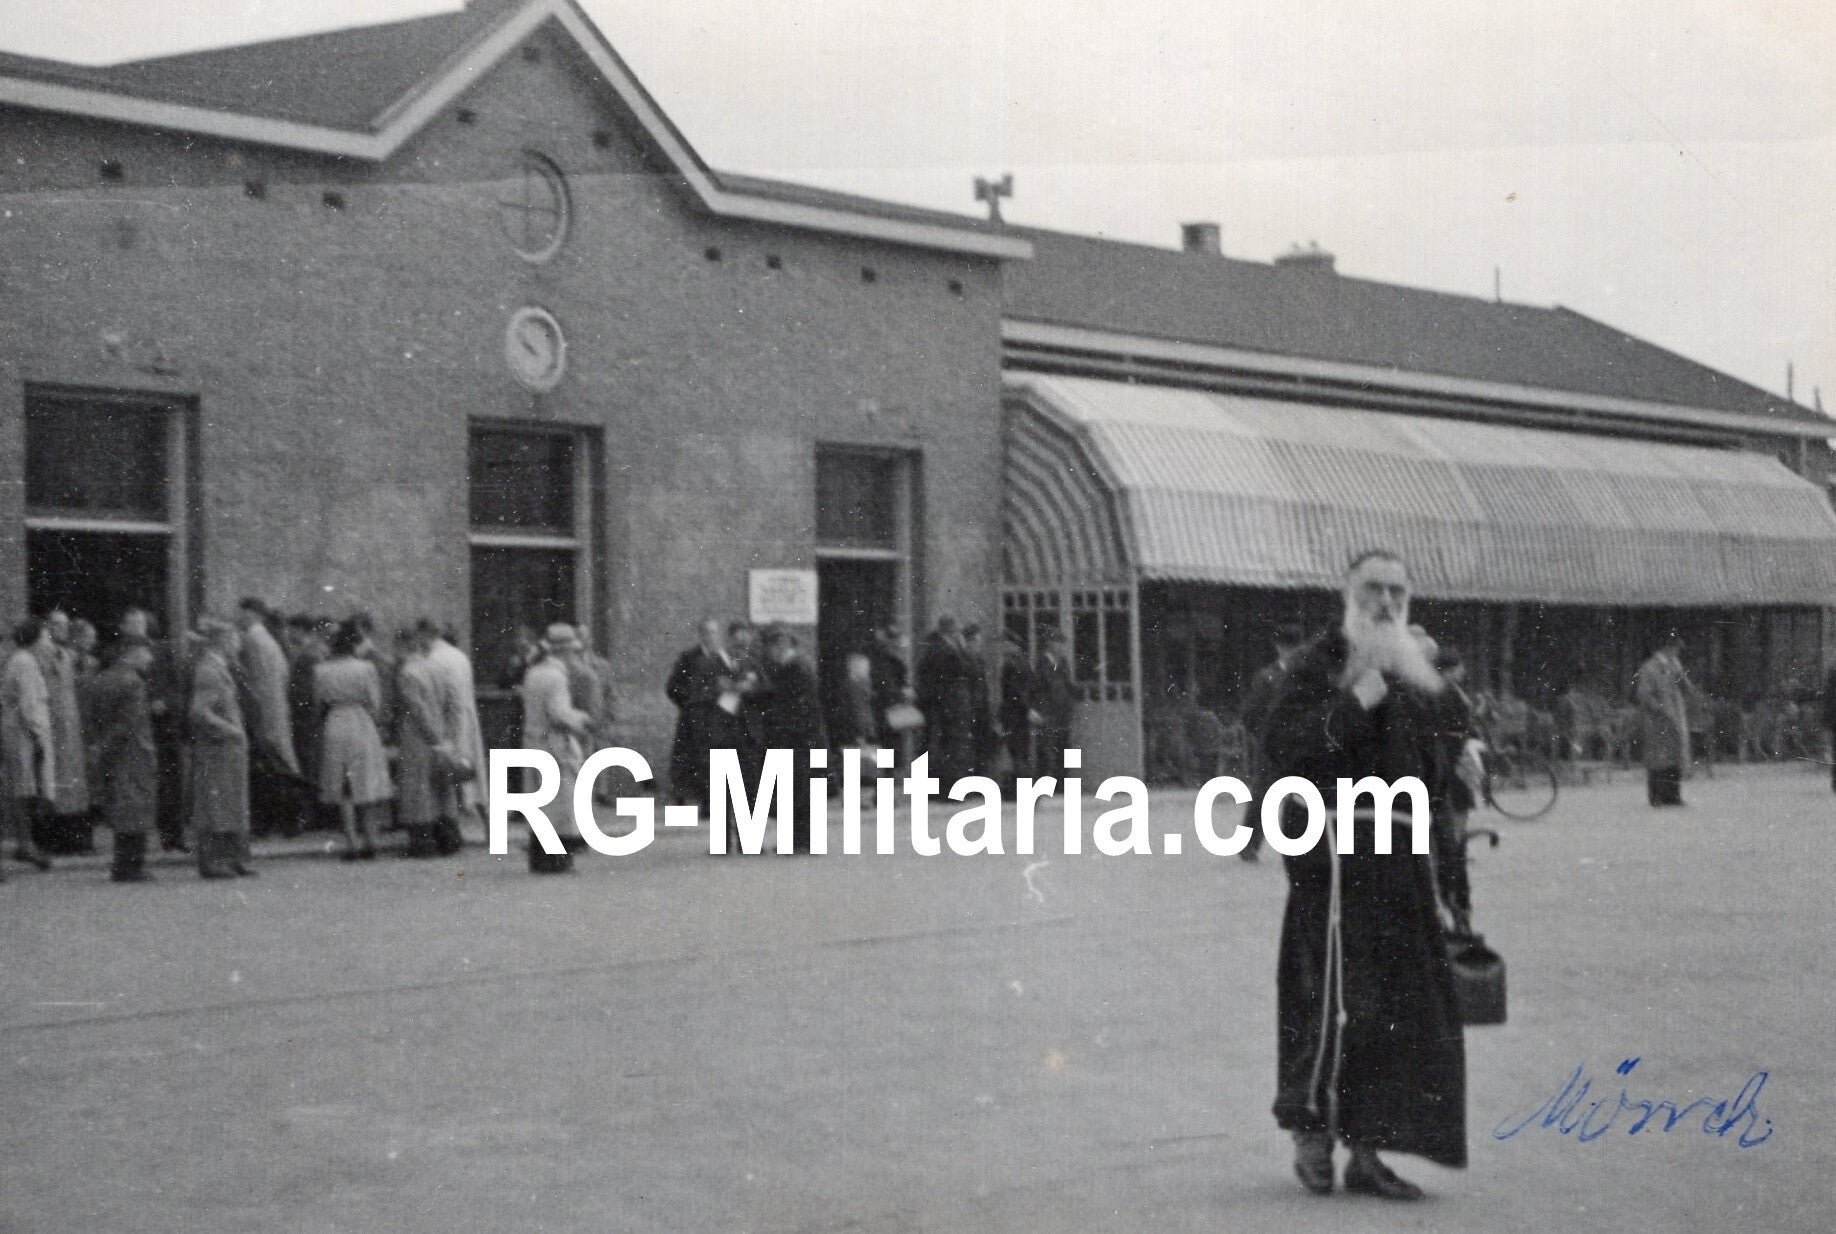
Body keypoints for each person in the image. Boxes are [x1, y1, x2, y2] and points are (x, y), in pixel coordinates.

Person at [1261, 549, 1466, 1200]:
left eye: (1397, 593)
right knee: (1326, 1006)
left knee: (1397, 1009)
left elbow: (1444, 753)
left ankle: (1370, 1151)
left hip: (1401, 867)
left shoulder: (1414, 665)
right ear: (1348, 595)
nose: (1385, 602)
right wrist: (1355, 701)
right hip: (1334, 868)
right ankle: (1313, 1136)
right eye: (1373, 589)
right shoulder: (1317, 665)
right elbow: (1286, 746)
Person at [314, 620, 393, 860]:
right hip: (360, 720)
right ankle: (371, 840)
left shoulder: (322, 670)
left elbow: (319, 701)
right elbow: (375, 702)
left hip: (336, 720)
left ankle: (351, 844)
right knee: (366, 781)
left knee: (343, 785)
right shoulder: (366, 668)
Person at [522, 624, 592, 873]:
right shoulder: (556, 677)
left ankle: (540, 858)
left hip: (533, 742)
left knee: (540, 804)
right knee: (560, 804)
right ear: (564, 652)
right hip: (553, 744)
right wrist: (581, 719)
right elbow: (558, 714)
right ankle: (557, 860)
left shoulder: (533, 673)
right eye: (573, 653)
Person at [188, 618, 255, 878]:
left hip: (228, 749)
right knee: (216, 804)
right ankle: (213, 860)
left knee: (230, 803)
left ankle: (232, 857)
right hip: (219, 748)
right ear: (223, 641)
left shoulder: (220, 667)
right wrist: (231, 730)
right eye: (235, 639)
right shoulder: (209, 670)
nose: (238, 645)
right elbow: (199, 712)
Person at [754, 626, 828, 852]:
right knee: (795, 789)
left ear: (781, 645)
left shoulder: (795, 668)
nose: (769, 655)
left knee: (798, 790)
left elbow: (794, 706)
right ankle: (798, 839)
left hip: (798, 739)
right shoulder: (793, 667)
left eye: (770, 648)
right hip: (799, 738)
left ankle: (801, 840)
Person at [1238, 623, 1307, 863]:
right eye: (1287, 647)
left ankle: (1299, 847)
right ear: (1278, 648)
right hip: (1272, 747)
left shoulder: (1306, 677)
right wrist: (1266, 736)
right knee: (1264, 797)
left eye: (1295, 647)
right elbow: (1250, 713)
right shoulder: (1267, 677)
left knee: (1300, 798)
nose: (1291, 652)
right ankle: (1248, 845)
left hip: (1299, 746)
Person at [91, 640, 159, 882]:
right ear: (133, 653)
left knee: (121, 805)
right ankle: (131, 865)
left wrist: (101, 746)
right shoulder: (134, 683)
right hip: (133, 752)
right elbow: (130, 723)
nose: (150, 659)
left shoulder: (103, 678)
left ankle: (123, 863)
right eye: (146, 653)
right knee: (135, 805)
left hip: (113, 751)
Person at [237, 598, 304, 836]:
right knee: (281, 763)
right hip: (275, 709)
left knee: (270, 767)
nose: (239, 618)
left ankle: (280, 821)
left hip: (264, 711)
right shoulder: (268, 641)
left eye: (243, 614)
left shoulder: (252, 640)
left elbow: (252, 682)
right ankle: (291, 821)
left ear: (254, 614)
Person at [665, 619, 744, 814]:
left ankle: (710, 804)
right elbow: (673, 686)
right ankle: (689, 798)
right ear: (701, 635)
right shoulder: (688, 658)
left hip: (716, 718)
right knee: (692, 758)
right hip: (693, 718)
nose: (711, 637)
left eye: (714, 633)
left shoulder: (723, 658)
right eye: (707, 633)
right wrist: (688, 703)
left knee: (713, 759)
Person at [395, 624, 459, 859]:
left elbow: (417, 710)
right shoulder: (437, 668)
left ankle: (422, 841)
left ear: (404, 645)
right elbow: (451, 703)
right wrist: (446, 736)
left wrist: (432, 735)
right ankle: (449, 837)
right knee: (441, 787)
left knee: (418, 788)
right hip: (441, 732)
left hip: (417, 736)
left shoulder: (408, 673)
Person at [1, 618, 56, 873]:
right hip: (23, 731)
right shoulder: (25, 663)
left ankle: (27, 842)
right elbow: (28, 703)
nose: (48, 642)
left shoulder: (21, 660)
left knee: (23, 787)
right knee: (23, 788)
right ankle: (25, 842)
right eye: (45, 637)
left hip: (18, 729)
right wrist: (37, 734)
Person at [425, 621, 487, 830]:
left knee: (449, 773)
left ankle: (449, 825)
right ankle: (487, 825)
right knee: (473, 771)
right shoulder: (459, 656)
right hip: (466, 716)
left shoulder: (433, 658)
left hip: (449, 719)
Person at [38, 609, 91, 853]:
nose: (62, 629)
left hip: (70, 722)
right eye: (56, 624)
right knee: (54, 779)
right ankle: (54, 838)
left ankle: (73, 837)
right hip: (52, 722)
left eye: (65, 625)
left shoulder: (69, 654)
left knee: (72, 779)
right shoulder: (42, 654)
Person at [1633, 632, 1692, 808]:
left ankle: (1673, 795)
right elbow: (1643, 694)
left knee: (1674, 756)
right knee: (1658, 757)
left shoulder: (1674, 666)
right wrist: (1659, 709)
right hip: (1657, 720)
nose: (1677, 654)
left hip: (1674, 717)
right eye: (1675, 649)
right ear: (1667, 648)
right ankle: (1656, 796)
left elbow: (1686, 688)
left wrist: (1682, 675)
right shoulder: (1649, 668)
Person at [916, 617, 974, 784]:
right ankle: (948, 786)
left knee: (942, 745)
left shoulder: (935, 646)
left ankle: (943, 785)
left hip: (941, 704)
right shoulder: (944, 649)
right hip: (948, 705)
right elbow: (963, 669)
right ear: (950, 629)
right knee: (950, 746)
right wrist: (963, 649)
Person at [1032, 629, 1076, 777]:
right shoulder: (1042, 662)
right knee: (1048, 746)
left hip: (1064, 710)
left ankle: (1067, 778)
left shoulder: (1062, 662)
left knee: (1067, 745)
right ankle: (1049, 779)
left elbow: (1068, 683)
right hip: (1050, 710)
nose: (1060, 647)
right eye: (1058, 643)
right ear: (1049, 644)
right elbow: (1045, 685)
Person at [997, 636, 1039, 785]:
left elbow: (1014, 692)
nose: (1002, 648)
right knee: (1023, 751)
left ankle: (1022, 787)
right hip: (1022, 714)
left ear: (1012, 645)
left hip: (1013, 714)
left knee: (1016, 752)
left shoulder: (1010, 664)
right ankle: (1026, 786)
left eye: (1004, 644)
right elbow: (1033, 686)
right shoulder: (1024, 662)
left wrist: (1025, 708)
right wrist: (1031, 708)